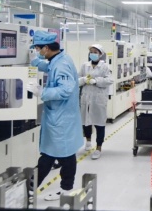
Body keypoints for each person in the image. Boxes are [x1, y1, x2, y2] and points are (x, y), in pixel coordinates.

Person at [27, 30, 83, 201]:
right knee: (64, 154)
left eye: (38, 49)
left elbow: (66, 89)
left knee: (53, 155)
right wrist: (36, 62)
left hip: (61, 118)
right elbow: (49, 66)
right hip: (62, 116)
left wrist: (42, 92)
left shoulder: (61, 65)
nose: (37, 51)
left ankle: (30, 189)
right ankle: (65, 189)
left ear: (45, 48)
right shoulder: (59, 59)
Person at [78, 44, 113, 159]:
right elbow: (77, 80)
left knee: (99, 123)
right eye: (91, 52)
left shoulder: (105, 67)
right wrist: (83, 80)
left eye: (95, 52)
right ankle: (88, 141)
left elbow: (109, 80)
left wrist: (95, 81)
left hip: (98, 99)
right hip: (86, 98)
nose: (92, 54)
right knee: (86, 121)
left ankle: (98, 147)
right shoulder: (84, 65)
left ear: (100, 54)